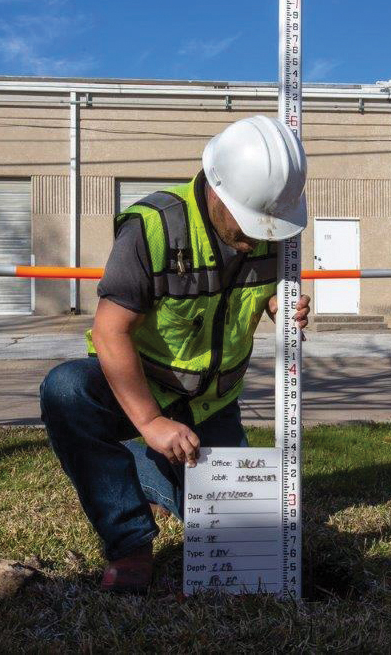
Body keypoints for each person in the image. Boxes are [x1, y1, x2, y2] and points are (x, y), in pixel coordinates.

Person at [39, 115, 311, 593]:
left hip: (211, 404)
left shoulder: (275, 229)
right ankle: (129, 542)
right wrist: (149, 423)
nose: (258, 239)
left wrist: (278, 306)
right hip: (140, 389)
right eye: (248, 224)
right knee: (66, 391)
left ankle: (154, 475)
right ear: (214, 188)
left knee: (232, 539)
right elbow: (109, 332)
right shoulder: (153, 228)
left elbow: (257, 291)